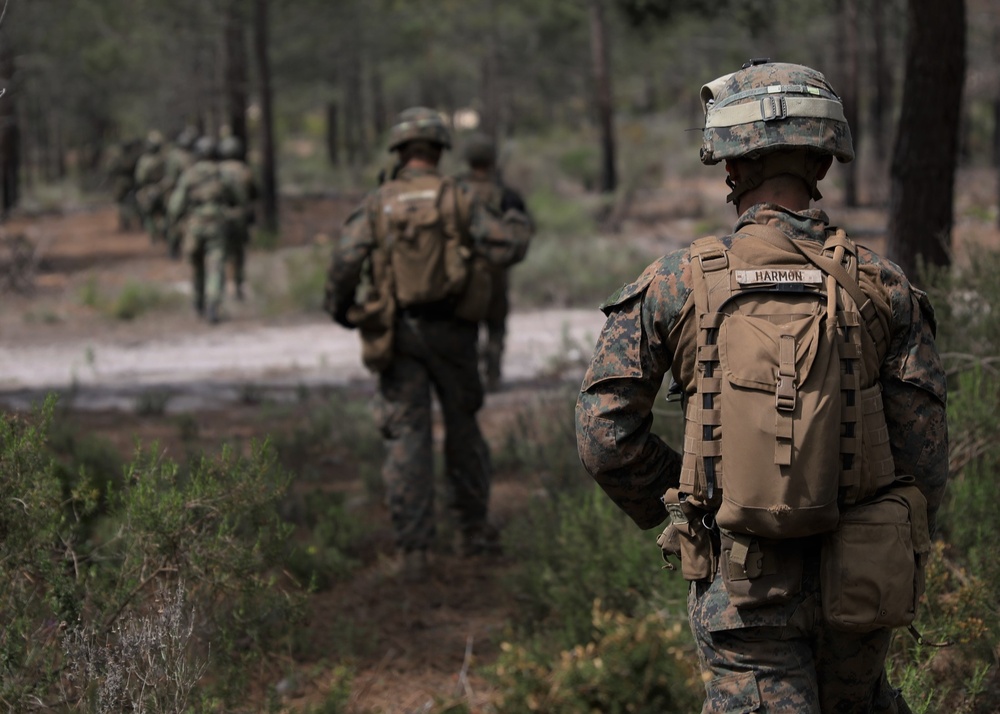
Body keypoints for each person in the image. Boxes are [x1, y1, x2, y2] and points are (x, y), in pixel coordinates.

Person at [575, 60, 948, 713]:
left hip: (741, 586)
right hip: (861, 584)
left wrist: (690, 500)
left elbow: (604, 436)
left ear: (730, 168)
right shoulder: (885, 287)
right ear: (824, 163)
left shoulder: (674, 283)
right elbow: (924, 461)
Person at [324, 107, 532, 580]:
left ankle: (415, 549)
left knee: (406, 440)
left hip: (398, 334)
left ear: (399, 153)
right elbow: (506, 246)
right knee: (464, 432)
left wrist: (342, 309)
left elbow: (345, 259)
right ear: (439, 150)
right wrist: (518, 221)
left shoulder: (379, 201)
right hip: (454, 335)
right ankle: (473, 535)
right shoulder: (457, 197)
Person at [454, 132, 534, 391]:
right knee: (496, 326)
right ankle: (493, 375)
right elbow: (523, 228)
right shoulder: (505, 193)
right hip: (496, 271)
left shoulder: (454, 190)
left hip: (463, 270)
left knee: (467, 325)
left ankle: (469, 376)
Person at [167, 135, 241, 324]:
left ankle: (198, 303)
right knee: (215, 266)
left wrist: (174, 224)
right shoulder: (222, 174)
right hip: (217, 225)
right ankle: (213, 304)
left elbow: (175, 205)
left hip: (194, 225)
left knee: (197, 264)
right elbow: (237, 198)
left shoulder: (189, 175)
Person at [217, 135, 257, 301]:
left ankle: (219, 288)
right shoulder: (244, 170)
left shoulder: (217, 170)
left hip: (221, 216)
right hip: (240, 217)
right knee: (239, 253)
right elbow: (254, 193)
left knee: (221, 252)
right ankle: (239, 286)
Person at [162, 126, 198, 258]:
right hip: (194, 192)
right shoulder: (195, 156)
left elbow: (171, 178)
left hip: (177, 193)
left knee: (173, 221)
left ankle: (173, 249)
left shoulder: (174, 157)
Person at [133, 130, 169, 244]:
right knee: (164, 213)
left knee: (149, 215)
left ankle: (153, 236)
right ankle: (164, 232)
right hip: (163, 188)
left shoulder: (144, 160)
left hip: (148, 189)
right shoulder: (165, 158)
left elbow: (140, 178)